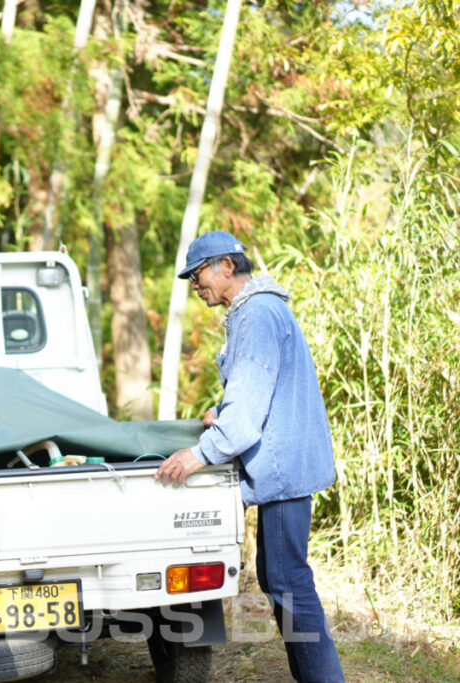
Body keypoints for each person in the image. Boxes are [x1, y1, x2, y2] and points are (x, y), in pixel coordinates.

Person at [155, 231, 344, 683]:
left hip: (285, 471)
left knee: (288, 582)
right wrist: (220, 411)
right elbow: (262, 390)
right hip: (285, 466)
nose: (194, 285)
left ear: (224, 265)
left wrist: (201, 454)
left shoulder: (256, 314)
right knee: (280, 578)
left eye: (197, 274)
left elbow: (249, 415)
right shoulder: (258, 310)